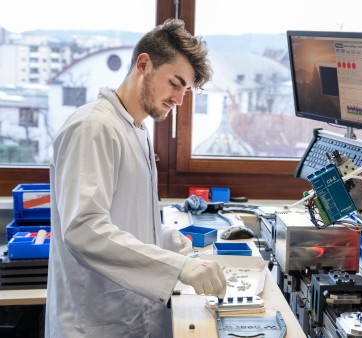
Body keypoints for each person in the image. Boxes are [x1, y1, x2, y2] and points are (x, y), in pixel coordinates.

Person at [45, 18, 226, 338]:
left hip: (132, 314)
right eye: (175, 83)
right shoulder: (93, 128)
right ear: (144, 64)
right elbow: (84, 230)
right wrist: (177, 267)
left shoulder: (135, 131)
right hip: (96, 323)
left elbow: (125, 220)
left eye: (185, 89)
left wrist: (170, 241)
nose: (180, 100)